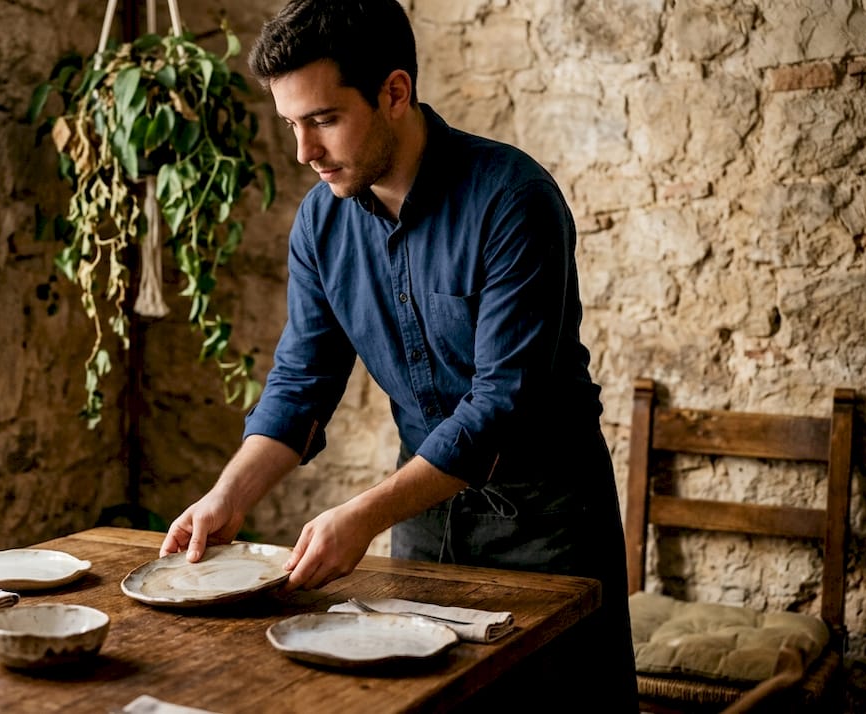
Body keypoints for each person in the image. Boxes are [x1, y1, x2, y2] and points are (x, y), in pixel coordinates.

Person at [159, 0, 637, 708]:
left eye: (322, 120)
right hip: (421, 524)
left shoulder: (514, 199)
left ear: (394, 92)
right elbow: (300, 384)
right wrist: (228, 494)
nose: (303, 153)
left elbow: (500, 406)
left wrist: (360, 515)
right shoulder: (320, 223)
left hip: (548, 530)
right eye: (292, 124)